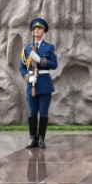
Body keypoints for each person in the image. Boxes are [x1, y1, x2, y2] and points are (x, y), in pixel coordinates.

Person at [20, 18, 58, 148]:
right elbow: (22, 67)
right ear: (32, 32)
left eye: (40, 28)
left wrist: (40, 60)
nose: (37, 30)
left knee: (43, 112)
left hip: (44, 84)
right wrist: (27, 77)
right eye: (35, 29)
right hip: (32, 83)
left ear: (44, 32)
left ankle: (41, 139)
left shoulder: (49, 47)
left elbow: (54, 65)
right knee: (32, 112)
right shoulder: (27, 49)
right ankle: (33, 139)